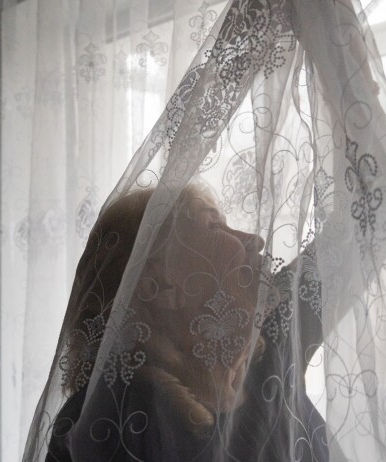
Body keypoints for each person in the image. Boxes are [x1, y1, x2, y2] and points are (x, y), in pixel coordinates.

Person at [46, 184, 330, 461]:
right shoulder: (115, 421)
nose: (255, 240)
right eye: (214, 226)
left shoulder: (272, 353)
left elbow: (360, 218)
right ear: (157, 285)